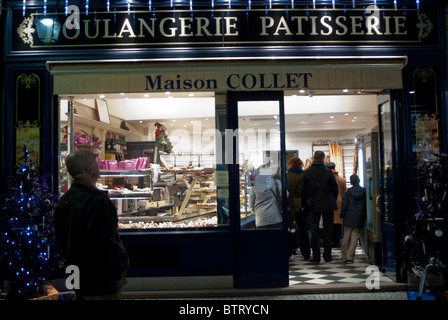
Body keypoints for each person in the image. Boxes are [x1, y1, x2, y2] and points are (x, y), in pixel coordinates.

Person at [54, 149, 129, 300]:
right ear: (89, 168)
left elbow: (61, 240)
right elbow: (106, 243)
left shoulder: (64, 200)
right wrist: (123, 262)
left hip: (77, 274)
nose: (98, 165)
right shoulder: (98, 201)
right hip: (101, 279)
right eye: (95, 162)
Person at [301, 151, 338, 263]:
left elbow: (303, 191)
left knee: (314, 230)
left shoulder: (307, 172)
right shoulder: (328, 172)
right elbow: (335, 188)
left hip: (313, 204)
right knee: (328, 230)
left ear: (313, 158)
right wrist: (332, 200)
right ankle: (327, 255)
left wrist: (304, 204)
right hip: (327, 204)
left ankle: (316, 256)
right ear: (323, 158)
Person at [286, 157, 310, 259]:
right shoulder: (305, 175)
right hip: (301, 205)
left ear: (290, 164)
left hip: (289, 206)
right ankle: (306, 253)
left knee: (290, 229)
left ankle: (289, 252)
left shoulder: (286, 176)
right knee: (303, 229)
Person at [340, 174, 367, 263]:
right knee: (355, 237)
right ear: (358, 181)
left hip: (348, 216)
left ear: (351, 182)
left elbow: (344, 206)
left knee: (346, 236)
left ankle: (344, 255)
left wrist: (342, 215)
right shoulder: (364, 192)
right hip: (359, 217)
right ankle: (350, 256)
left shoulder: (347, 193)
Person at [249, 164, 283, 229]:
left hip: (261, 219)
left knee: (263, 238)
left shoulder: (254, 185)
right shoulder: (276, 182)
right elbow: (284, 195)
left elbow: (251, 202)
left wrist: (255, 210)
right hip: (275, 218)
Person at [326, 162, 347, 248]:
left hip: (329, 202)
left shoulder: (327, 178)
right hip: (340, 202)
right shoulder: (341, 179)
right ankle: (336, 242)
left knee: (329, 223)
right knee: (338, 223)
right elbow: (344, 191)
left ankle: (329, 242)